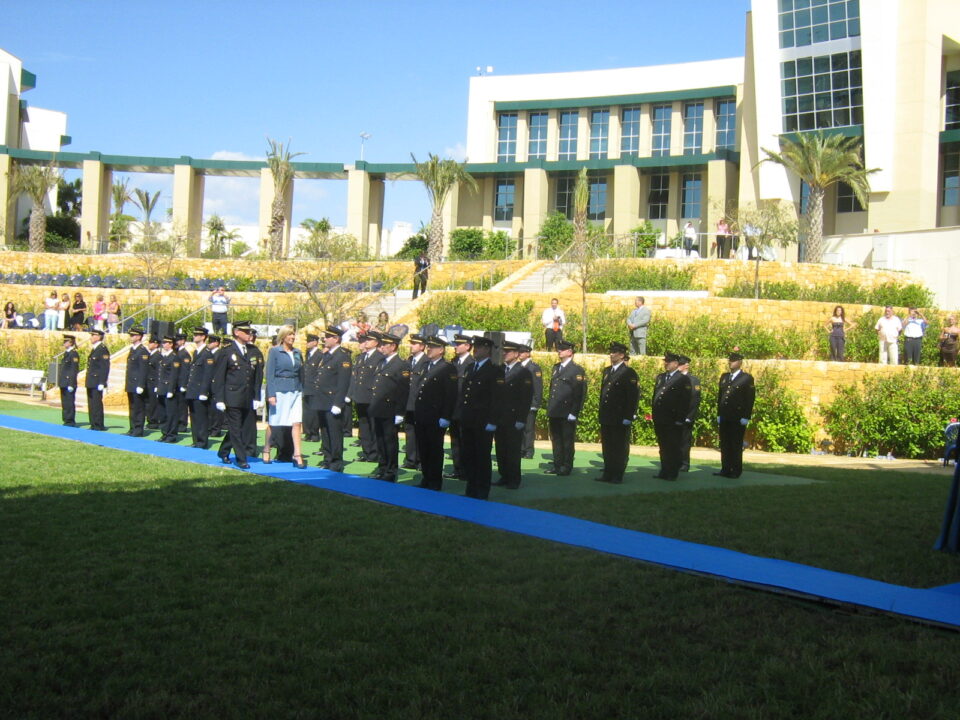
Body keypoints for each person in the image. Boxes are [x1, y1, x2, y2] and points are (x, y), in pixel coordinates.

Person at [456, 335, 500, 499]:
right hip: (468, 419)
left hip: (483, 421)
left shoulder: (494, 370)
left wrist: (493, 421)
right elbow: (464, 395)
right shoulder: (470, 368)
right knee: (469, 455)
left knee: (482, 456)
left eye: (479, 347)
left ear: (487, 349)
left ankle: (482, 489)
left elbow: (497, 398)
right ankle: (471, 487)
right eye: (475, 347)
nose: (475, 350)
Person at [413, 336, 458, 491]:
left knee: (434, 450)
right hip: (422, 414)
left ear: (441, 350)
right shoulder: (426, 365)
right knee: (423, 448)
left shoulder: (447, 368)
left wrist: (446, 416)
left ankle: (435, 481)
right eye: (428, 347)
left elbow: (450, 394)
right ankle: (426, 478)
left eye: (432, 347)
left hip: (436, 416)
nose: (429, 349)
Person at [213, 320, 260, 469]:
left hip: (246, 396)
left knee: (240, 427)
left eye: (250, 332)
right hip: (232, 397)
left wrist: (257, 397)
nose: (249, 334)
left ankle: (223, 450)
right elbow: (219, 377)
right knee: (235, 428)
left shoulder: (253, 351)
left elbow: (257, 376)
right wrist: (219, 398)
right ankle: (241, 458)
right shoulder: (226, 352)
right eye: (246, 332)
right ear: (236, 332)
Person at [367, 331, 411, 483]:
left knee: (390, 441)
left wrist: (400, 412)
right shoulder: (382, 362)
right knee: (380, 440)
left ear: (393, 346)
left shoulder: (401, 364)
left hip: (391, 409)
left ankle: (391, 471)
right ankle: (382, 467)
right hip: (379, 409)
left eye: (385, 344)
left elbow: (403, 390)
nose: (382, 347)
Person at [595, 342, 639, 484]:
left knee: (618, 447)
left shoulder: (628, 373)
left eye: (614, 352)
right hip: (607, 415)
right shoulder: (607, 371)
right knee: (607, 446)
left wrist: (628, 416)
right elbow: (604, 394)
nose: (611, 354)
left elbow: (632, 397)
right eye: (611, 352)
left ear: (621, 355)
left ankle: (617, 474)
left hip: (620, 416)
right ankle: (608, 472)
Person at [493, 340, 534, 491]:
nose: (504, 353)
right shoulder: (500, 370)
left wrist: (521, 419)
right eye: (504, 351)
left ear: (516, 354)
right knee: (501, 449)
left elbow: (526, 398)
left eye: (508, 351)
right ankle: (504, 475)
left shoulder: (523, 372)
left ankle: (514, 479)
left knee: (513, 450)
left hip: (513, 418)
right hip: (500, 418)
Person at [264, 324, 307, 468]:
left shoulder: (297, 352)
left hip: (295, 390)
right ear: (283, 336)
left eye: (293, 334)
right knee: (275, 422)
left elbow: (301, 373)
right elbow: (270, 374)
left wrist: (302, 391)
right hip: (280, 390)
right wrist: (271, 394)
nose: (292, 337)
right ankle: (267, 448)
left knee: (296, 422)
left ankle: (297, 454)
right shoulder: (275, 351)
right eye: (289, 334)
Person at [311, 325, 352, 471]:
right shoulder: (327, 355)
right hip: (322, 400)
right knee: (325, 432)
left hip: (332, 401)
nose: (325, 339)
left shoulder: (342, 357)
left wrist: (338, 403)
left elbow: (343, 383)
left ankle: (336, 461)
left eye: (328, 337)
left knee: (334, 433)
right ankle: (327, 458)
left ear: (336, 339)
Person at [546, 340, 586, 476]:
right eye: (558, 349)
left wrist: (574, 412)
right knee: (556, 439)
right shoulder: (556, 367)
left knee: (567, 441)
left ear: (570, 352)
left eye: (562, 349)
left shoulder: (576, 370)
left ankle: (566, 466)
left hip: (567, 412)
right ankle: (557, 465)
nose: (559, 351)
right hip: (555, 410)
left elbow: (579, 393)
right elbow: (553, 389)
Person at [651, 352, 692, 481]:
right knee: (663, 446)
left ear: (676, 363)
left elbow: (685, 401)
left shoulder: (683, 379)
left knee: (673, 447)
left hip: (673, 419)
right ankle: (664, 470)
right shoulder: (661, 377)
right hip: (660, 418)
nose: (666, 364)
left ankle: (672, 472)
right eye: (665, 361)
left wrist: (680, 419)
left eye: (668, 362)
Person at [715, 351, 755, 479]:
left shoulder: (746, 378)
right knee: (725, 443)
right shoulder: (725, 377)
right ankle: (725, 468)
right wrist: (719, 413)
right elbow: (720, 396)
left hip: (738, 417)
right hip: (725, 415)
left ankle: (736, 470)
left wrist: (746, 416)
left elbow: (749, 399)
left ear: (740, 362)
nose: (730, 363)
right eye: (729, 360)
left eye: (733, 361)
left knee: (735, 444)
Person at [347, 330, 382, 463]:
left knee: (373, 426)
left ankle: (374, 453)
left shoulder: (379, 357)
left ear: (376, 342)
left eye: (369, 340)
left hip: (371, 397)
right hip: (360, 396)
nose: (366, 342)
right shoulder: (361, 357)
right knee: (364, 426)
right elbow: (356, 377)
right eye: (365, 339)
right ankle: (366, 451)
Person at [444, 334, 475, 480]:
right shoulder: (453, 362)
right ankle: (457, 469)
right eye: (455, 344)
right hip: (453, 408)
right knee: (455, 440)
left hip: (466, 410)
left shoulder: (472, 363)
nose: (455, 346)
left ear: (468, 346)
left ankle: (467, 470)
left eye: (459, 344)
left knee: (466, 442)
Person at [185, 327, 215, 449]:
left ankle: (202, 441)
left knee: (201, 417)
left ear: (203, 337)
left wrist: (204, 391)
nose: (195, 336)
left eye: (197, 334)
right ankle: (196, 439)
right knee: (193, 416)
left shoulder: (207, 353)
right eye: (195, 334)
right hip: (192, 390)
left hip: (200, 391)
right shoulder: (197, 352)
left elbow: (208, 374)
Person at [402, 334, 427, 470]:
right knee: (410, 431)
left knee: (421, 433)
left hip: (420, 404)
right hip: (408, 403)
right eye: (411, 343)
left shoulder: (426, 361)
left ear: (422, 346)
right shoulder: (409, 360)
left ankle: (421, 461)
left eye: (414, 343)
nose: (411, 345)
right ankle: (410, 459)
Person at [124, 326, 150, 437]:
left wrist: (141, 384)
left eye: (133, 335)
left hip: (137, 384)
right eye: (131, 335)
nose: (131, 337)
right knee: (132, 407)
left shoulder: (142, 351)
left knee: (139, 407)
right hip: (131, 383)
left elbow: (144, 370)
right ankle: (132, 427)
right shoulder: (133, 349)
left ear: (139, 337)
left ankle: (138, 429)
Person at [156, 335, 183, 443]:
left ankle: (171, 434)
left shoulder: (174, 357)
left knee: (171, 413)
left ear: (171, 344)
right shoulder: (164, 356)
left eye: (166, 343)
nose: (164, 344)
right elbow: (161, 374)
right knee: (163, 413)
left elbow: (174, 375)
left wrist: (171, 390)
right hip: (162, 388)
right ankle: (165, 433)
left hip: (169, 389)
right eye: (163, 342)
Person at [677, 355, 701, 473]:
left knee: (684, 441)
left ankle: (684, 463)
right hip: (675, 416)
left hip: (686, 416)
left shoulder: (693, 380)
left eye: (680, 364)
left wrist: (689, 417)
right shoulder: (675, 378)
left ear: (686, 365)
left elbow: (695, 400)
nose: (678, 366)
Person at [518, 345, 542, 459]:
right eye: (519, 352)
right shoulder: (519, 366)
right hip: (519, 403)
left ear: (528, 353)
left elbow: (537, 387)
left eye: (522, 352)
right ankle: (521, 449)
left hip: (529, 403)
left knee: (528, 429)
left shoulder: (533, 368)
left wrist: (535, 404)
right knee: (520, 427)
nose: (520, 354)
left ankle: (528, 450)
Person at [85, 328, 111, 431]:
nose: (91, 337)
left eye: (93, 335)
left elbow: (105, 367)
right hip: (91, 380)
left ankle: (98, 424)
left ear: (99, 337)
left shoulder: (102, 349)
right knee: (91, 404)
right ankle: (93, 423)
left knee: (96, 403)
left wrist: (102, 382)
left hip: (97, 381)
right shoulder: (95, 349)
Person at [300, 333, 322, 442]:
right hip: (306, 386)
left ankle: (314, 434)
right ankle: (307, 432)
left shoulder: (320, 354)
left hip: (314, 387)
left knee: (314, 412)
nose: (307, 344)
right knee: (307, 411)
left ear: (315, 342)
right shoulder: (308, 354)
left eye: (309, 341)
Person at [57, 334, 80, 427]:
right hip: (64, 382)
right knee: (65, 402)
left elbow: (73, 370)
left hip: (69, 382)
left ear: (71, 343)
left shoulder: (73, 354)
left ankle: (70, 420)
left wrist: (71, 383)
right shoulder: (67, 353)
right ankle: (66, 419)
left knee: (69, 402)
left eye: (66, 341)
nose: (64, 343)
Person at [145, 335, 163, 430]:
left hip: (153, 383)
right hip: (148, 382)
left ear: (156, 345)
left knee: (153, 404)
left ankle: (154, 421)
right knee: (148, 403)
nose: (149, 344)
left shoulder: (158, 356)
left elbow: (158, 372)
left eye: (152, 342)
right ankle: (150, 420)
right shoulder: (150, 355)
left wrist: (157, 385)